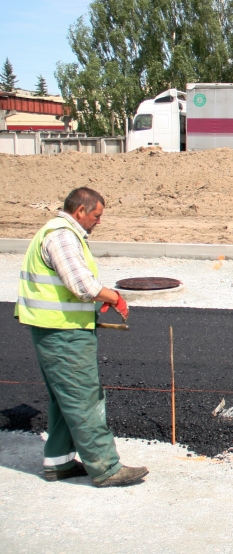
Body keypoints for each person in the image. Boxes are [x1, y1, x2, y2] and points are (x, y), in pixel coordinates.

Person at [15, 187, 149, 487]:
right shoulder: (62, 235)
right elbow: (81, 284)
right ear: (80, 211)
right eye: (96, 216)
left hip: (57, 329)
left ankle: (58, 463)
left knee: (65, 400)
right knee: (84, 398)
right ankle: (105, 468)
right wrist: (114, 298)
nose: (98, 222)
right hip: (64, 334)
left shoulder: (57, 232)